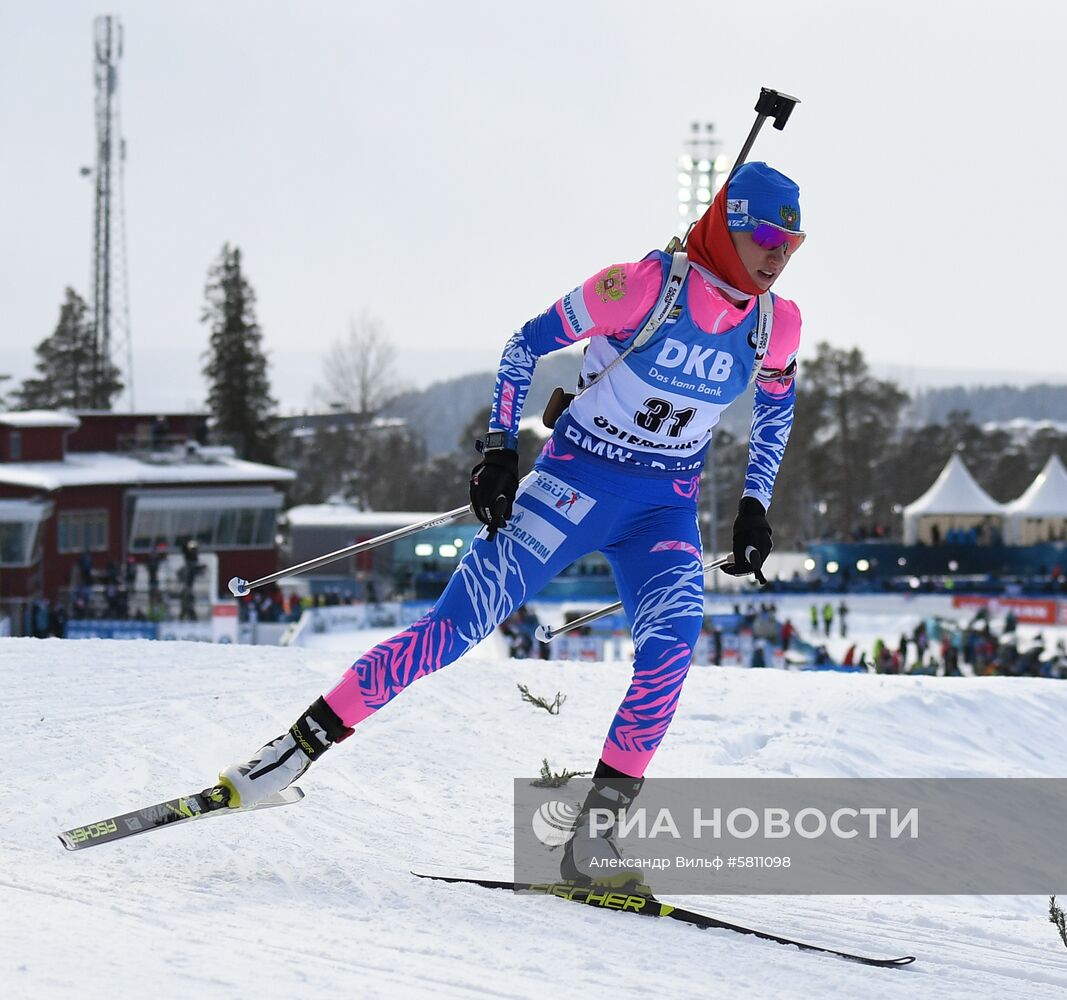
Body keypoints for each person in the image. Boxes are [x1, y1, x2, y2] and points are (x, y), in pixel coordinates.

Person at [216, 161, 805, 885]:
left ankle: (592, 841)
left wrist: (754, 504)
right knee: (452, 631)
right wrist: (499, 451)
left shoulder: (778, 324)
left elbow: (777, 408)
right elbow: (526, 344)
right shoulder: (644, 286)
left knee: (671, 652)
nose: (779, 255)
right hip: (571, 487)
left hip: (663, 511)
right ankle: (290, 751)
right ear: (730, 226)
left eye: (792, 243)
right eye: (766, 238)